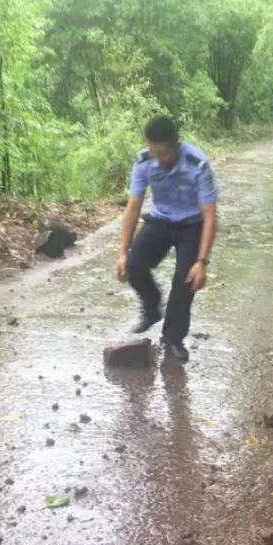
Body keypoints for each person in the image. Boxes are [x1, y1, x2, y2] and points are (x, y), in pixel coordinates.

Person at [115, 116, 218, 363]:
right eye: (152, 150)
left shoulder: (198, 164)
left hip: (192, 223)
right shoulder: (143, 161)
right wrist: (123, 251)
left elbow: (210, 216)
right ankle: (152, 309)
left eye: (162, 153)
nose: (157, 158)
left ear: (176, 145)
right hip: (160, 220)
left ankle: (173, 338)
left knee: (186, 281)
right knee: (134, 266)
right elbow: (133, 206)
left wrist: (201, 262)